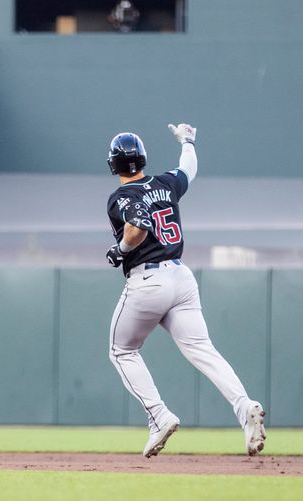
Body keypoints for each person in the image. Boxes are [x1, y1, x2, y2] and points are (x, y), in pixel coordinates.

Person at [104, 124, 266, 458]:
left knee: (121, 350)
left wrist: (120, 248)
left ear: (113, 165)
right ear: (143, 158)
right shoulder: (165, 183)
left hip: (147, 280)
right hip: (181, 277)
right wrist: (187, 140)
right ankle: (244, 407)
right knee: (203, 350)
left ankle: (158, 415)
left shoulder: (121, 196)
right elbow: (188, 167)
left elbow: (137, 227)